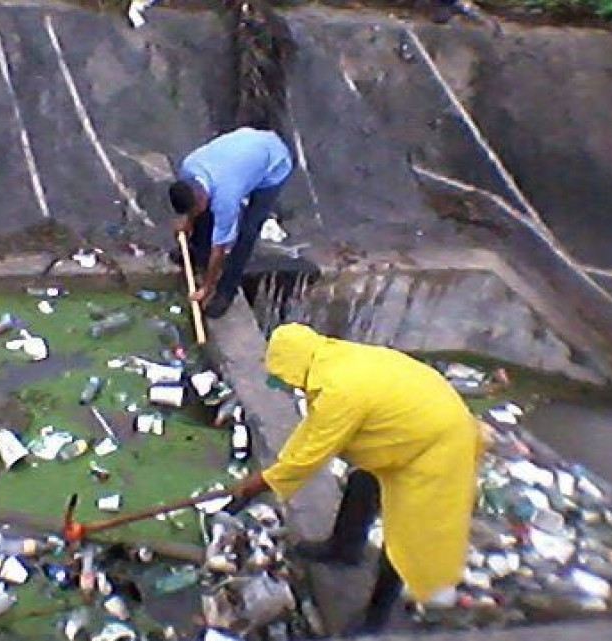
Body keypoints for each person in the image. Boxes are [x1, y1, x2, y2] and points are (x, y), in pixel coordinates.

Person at [229, 323, 482, 634]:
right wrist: (270, 474)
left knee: (404, 536)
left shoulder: (338, 390)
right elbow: (311, 435)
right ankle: (344, 548)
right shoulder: (327, 360)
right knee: (363, 482)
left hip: (439, 445)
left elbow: (310, 456)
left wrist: (260, 483)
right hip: (410, 428)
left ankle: (375, 619)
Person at [169, 126, 293, 319]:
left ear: (201, 197)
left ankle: (226, 290)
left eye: (194, 209)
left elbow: (220, 248)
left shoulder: (225, 198)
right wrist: (188, 221)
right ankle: (197, 252)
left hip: (273, 165)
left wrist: (207, 287)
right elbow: (193, 206)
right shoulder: (189, 167)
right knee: (204, 216)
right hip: (244, 149)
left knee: (248, 231)